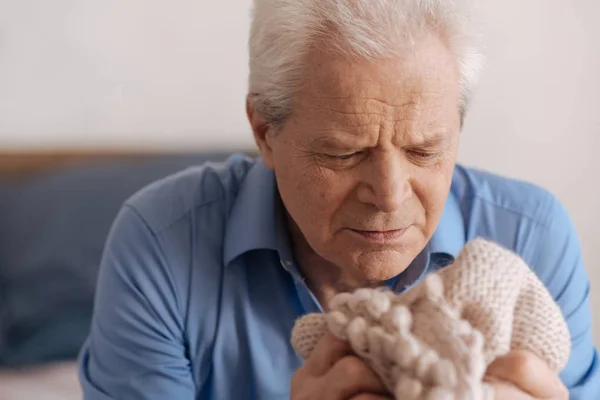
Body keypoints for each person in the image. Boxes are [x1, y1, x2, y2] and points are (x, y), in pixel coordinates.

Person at [78, 0, 599, 399]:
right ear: (264, 132)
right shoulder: (159, 244)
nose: (390, 195)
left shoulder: (533, 236)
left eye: (424, 150)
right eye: (344, 153)